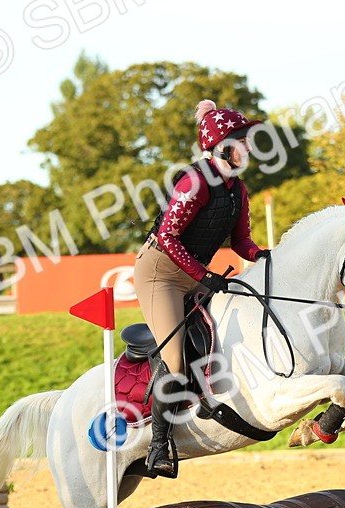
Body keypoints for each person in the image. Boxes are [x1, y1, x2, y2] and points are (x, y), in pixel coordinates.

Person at [133, 99, 269, 477]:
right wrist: (204, 276)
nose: (249, 147)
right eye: (242, 140)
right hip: (160, 273)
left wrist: (265, 256)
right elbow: (168, 236)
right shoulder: (194, 183)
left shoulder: (237, 189)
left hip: (192, 271)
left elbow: (242, 242)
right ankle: (159, 445)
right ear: (222, 144)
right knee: (174, 360)